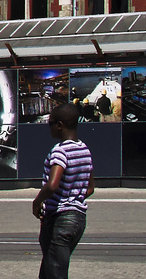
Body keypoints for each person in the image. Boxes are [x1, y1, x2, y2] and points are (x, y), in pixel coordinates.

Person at [31, 103, 94, 279]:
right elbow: (90, 188)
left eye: (49, 123)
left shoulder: (60, 152)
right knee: (49, 272)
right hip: (78, 220)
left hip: (59, 220)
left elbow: (52, 185)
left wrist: (37, 202)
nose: (48, 127)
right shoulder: (84, 149)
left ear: (60, 125)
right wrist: (73, 197)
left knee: (55, 273)